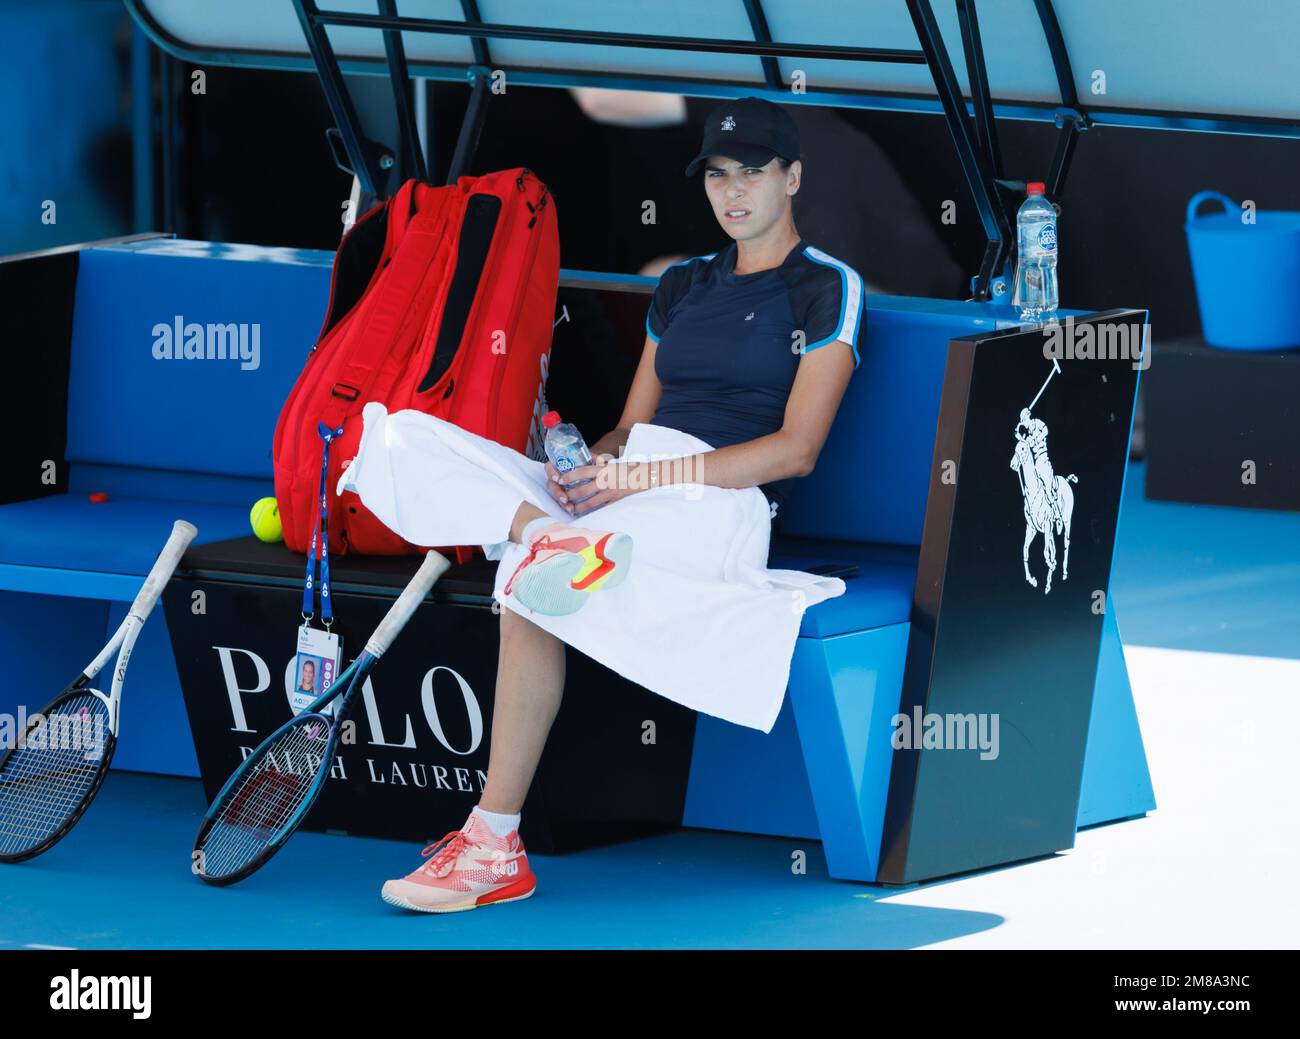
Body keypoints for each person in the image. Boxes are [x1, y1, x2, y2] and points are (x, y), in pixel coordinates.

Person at [341, 96, 863, 913]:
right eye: (719, 175)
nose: (733, 192)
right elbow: (630, 428)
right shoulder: (683, 285)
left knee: (526, 587)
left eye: (753, 173)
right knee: (401, 435)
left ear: (792, 178)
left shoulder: (826, 287)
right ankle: (550, 531)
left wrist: (634, 482)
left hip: (717, 505)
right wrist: (583, 463)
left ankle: (493, 844)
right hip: (623, 500)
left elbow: (796, 450)